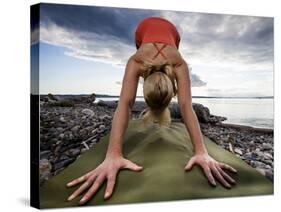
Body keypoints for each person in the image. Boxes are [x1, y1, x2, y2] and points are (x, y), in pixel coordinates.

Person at [65, 16, 238, 205]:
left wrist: (201, 152)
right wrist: (112, 155)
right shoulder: (173, 62)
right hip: (148, 34)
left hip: (168, 34)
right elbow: (186, 106)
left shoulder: (140, 61)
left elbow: (125, 103)